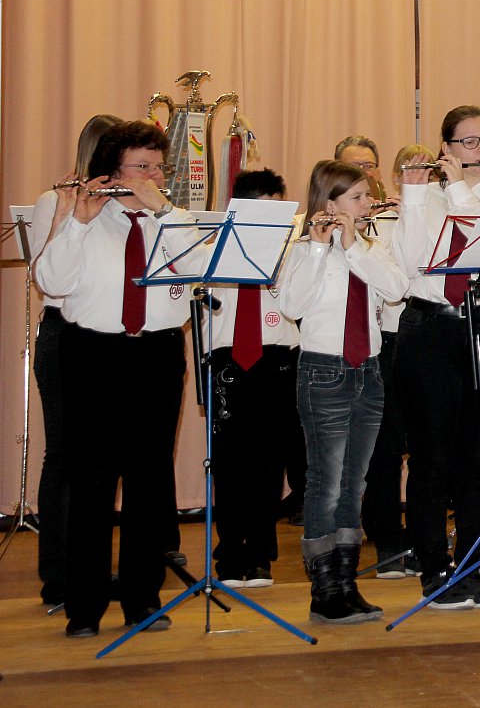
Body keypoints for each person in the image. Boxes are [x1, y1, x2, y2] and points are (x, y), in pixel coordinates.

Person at [35, 120, 201, 637]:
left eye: (159, 167)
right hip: (92, 355)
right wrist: (77, 223)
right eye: (142, 167)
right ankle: (84, 607)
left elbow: (201, 268)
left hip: (157, 354)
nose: (155, 176)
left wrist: (165, 211)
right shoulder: (85, 216)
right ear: (113, 171)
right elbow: (51, 282)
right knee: (91, 483)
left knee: (149, 481)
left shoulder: (172, 221)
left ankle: (142, 600)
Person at [393, 106, 480, 609]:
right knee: (431, 458)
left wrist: (458, 192)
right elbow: (410, 266)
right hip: (432, 330)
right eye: (468, 142)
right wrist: (424, 194)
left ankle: (473, 567)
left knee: (479, 455)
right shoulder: (423, 197)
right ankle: (433, 568)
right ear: (446, 149)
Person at [280, 160, 407, 623]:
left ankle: (348, 583)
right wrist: (319, 248)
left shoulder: (372, 247)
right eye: (357, 197)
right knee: (326, 482)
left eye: (367, 195)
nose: (368, 203)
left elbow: (396, 289)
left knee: (355, 484)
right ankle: (325, 590)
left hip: (368, 372)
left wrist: (353, 247)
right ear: (329, 203)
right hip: (324, 371)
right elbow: (291, 304)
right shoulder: (302, 249)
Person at [29, 112, 120, 609]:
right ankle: (59, 575)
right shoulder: (55, 199)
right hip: (65, 333)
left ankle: (95, 569)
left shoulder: (126, 207)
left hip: (109, 333)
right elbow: (47, 275)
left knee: (106, 458)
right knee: (65, 455)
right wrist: (71, 213)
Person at [209, 168, 302, 589]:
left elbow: (296, 301)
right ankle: (229, 555)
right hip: (228, 359)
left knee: (270, 462)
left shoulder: (292, 249)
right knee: (229, 464)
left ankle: (262, 554)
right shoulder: (213, 247)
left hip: (277, 356)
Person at [365, 144, 430, 578]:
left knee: (426, 445)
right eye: (410, 170)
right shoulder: (378, 220)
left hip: (427, 336)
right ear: (394, 177)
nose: (419, 177)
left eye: (428, 171)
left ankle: (424, 540)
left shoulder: (439, 217)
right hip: (388, 339)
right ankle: (387, 540)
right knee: (386, 448)